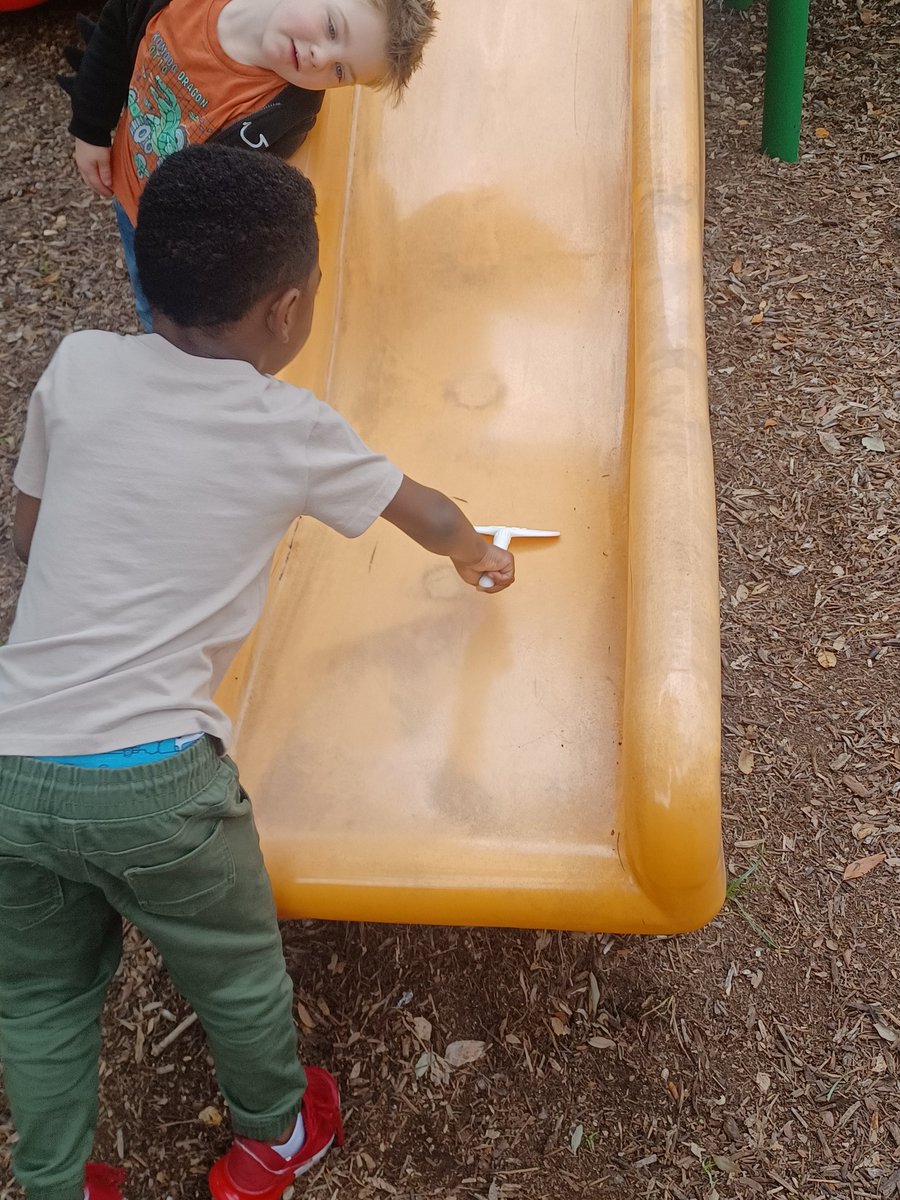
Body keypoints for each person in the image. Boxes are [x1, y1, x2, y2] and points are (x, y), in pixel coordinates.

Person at [0, 143, 513, 1200]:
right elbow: (421, 510)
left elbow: (28, 540)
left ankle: (53, 1184)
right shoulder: (289, 426)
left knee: (40, 996)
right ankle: (272, 1138)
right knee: (232, 971)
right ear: (287, 310)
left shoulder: (80, 369)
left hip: (13, 758)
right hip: (156, 784)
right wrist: (478, 553)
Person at [60, 0, 438, 329]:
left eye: (340, 71)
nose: (320, 58)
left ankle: (163, 342)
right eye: (331, 27)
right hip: (129, 189)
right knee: (144, 288)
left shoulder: (288, 111)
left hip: (178, 239)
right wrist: (90, 127)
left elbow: (239, 197)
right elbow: (114, 30)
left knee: (165, 308)